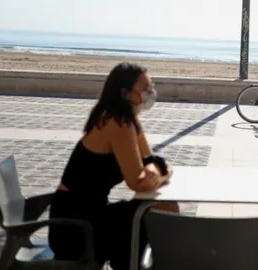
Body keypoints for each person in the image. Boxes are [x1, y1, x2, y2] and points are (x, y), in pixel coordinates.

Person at [48, 62, 178, 270]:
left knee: (164, 208)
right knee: (158, 212)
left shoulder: (128, 119)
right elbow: (138, 182)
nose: (150, 92)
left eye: (150, 86)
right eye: (145, 89)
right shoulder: (117, 123)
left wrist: (158, 169)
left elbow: (151, 160)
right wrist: (159, 171)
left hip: (91, 216)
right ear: (126, 94)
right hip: (74, 228)